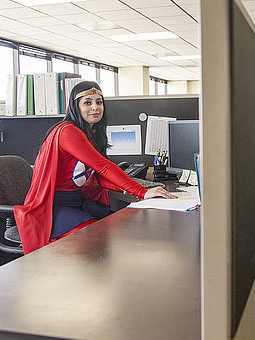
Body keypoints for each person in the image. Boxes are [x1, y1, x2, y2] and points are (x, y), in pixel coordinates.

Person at [14, 81, 175, 255]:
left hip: (76, 203)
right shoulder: (68, 131)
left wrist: (132, 190)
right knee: (96, 236)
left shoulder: (91, 134)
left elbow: (99, 175)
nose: (95, 107)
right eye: (88, 102)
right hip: (53, 209)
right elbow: (104, 167)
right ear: (76, 107)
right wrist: (142, 191)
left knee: (122, 224)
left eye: (99, 102)